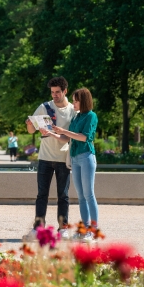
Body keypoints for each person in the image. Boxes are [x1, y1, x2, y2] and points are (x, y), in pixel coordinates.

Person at [24, 76, 75, 239]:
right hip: (45, 157)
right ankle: (38, 229)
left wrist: (57, 132)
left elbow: (71, 136)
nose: (54, 95)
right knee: (42, 194)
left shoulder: (73, 110)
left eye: (58, 92)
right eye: (52, 92)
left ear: (65, 91)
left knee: (63, 195)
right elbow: (31, 131)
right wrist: (30, 125)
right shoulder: (44, 107)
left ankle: (63, 229)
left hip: (63, 157)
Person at [52, 88, 99, 241]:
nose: (73, 103)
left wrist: (64, 131)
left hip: (86, 156)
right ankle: (84, 230)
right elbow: (68, 138)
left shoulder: (91, 116)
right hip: (75, 158)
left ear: (84, 101)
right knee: (81, 196)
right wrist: (53, 133)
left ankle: (93, 230)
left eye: (76, 100)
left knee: (89, 194)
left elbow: (85, 137)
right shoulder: (76, 117)